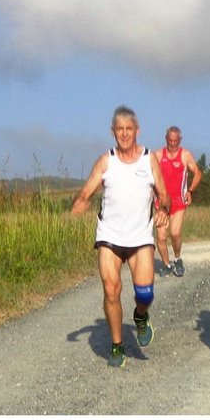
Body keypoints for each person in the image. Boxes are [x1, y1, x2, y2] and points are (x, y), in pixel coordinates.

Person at [71, 106, 171, 368]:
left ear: (137, 130)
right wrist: (81, 200)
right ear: (112, 131)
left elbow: (164, 194)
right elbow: (87, 190)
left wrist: (164, 210)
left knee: (145, 294)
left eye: (129, 129)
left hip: (140, 237)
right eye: (119, 129)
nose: (124, 134)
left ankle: (141, 316)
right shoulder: (107, 160)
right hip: (110, 235)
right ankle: (117, 345)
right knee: (111, 289)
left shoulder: (149, 159)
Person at [154, 126, 203, 277]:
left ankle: (177, 258)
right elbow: (149, 175)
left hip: (178, 201)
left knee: (175, 233)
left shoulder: (185, 155)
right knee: (161, 236)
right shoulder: (158, 155)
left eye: (175, 141)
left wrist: (190, 191)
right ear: (166, 139)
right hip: (161, 203)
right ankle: (167, 264)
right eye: (170, 140)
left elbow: (198, 173)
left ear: (180, 140)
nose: (173, 143)